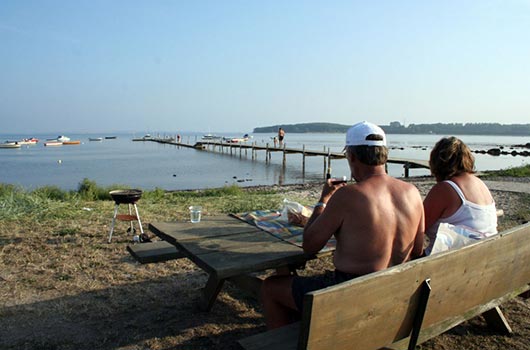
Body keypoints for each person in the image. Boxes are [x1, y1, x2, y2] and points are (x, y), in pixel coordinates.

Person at [261, 121, 425, 329]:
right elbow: (418, 250)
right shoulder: (412, 192)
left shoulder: (350, 195)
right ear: (384, 154)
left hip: (350, 296)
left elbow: (310, 245)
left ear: (352, 156)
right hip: (395, 291)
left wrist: (323, 200)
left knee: (270, 287)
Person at [423, 137, 497, 255]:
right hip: (486, 256)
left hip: (449, 264)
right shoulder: (480, 184)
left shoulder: (446, 189)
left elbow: (417, 227)